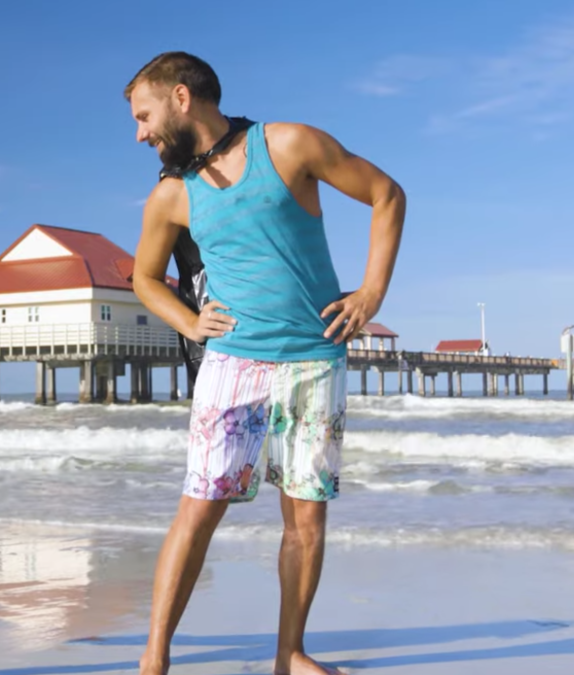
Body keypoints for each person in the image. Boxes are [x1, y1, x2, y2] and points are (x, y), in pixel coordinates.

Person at [125, 52, 407, 675]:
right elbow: (144, 278)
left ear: (180, 97)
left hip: (314, 359)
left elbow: (387, 195)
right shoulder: (173, 195)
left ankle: (290, 654)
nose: (139, 133)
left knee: (306, 516)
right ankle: (154, 659)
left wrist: (370, 294)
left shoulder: (288, 145)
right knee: (199, 508)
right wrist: (189, 322)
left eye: (143, 116)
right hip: (232, 366)